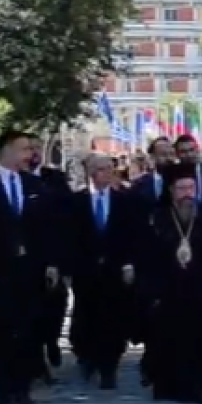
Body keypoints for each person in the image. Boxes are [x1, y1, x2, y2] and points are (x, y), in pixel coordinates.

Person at [0, 129, 61, 404]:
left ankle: (22, 388)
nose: (29, 155)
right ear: (6, 150)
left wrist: (52, 263)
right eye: (24, 149)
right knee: (0, 329)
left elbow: (47, 228)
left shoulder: (34, 185)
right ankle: (3, 388)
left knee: (28, 328)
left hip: (30, 269)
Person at [139, 162, 202, 404]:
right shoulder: (158, 218)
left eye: (191, 188)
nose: (188, 194)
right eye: (182, 189)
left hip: (200, 289)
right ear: (171, 191)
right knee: (169, 338)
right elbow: (148, 254)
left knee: (200, 338)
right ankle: (170, 386)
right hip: (169, 289)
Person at [65, 153, 138, 389]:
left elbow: (131, 235)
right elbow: (70, 237)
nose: (107, 173)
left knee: (113, 317)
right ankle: (87, 357)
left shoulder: (123, 201)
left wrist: (128, 263)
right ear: (91, 172)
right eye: (101, 169)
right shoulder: (76, 201)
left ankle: (109, 366)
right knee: (86, 315)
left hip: (115, 269)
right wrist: (69, 268)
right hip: (85, 270)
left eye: (109, 168)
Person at [29, 135, 72, 378]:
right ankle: (37, 364)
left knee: (55, 304)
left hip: (55, 250)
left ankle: (52, 340)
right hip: (28, 256)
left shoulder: (54, 178)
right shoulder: (15, 179)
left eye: (37, 148)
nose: (33, 153)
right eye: (29, 149)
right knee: (32, 311)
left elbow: (67, 215)